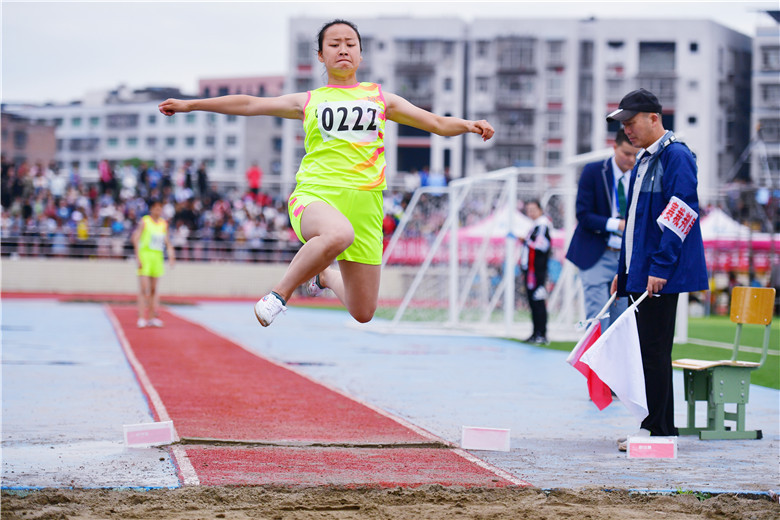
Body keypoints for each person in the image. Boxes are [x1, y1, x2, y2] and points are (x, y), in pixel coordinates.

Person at [158, 19, 494, 327]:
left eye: (350, 43)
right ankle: (278, 295)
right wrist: (192, 104)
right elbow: (250, 104)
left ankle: (324, 277)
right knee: (337, 235)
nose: (343, 49)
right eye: (334, 44)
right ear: (321, 55)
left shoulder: (381, 99)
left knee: (364, 312)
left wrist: (468, 125)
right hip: (318, 194)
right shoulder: (308, 101)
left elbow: (434, 122)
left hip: (367, 205)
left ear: (361, 55)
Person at [607, 88, 708, 449]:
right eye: (624, 124)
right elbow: (633, 222)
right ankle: (659, 425)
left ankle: (656, 428)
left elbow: (683, 211)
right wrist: (625, 270)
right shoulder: (645, 159)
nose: (627, 131)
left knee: (653, 349)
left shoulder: (676, 155)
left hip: (660, 273)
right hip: (642, 270)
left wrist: (661, 265)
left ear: (653, 118)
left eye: (631, 122)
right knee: (648, 349)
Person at [566, 129, 638, 330]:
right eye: (626, 153)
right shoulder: (593, 171)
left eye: (635, 154)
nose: (631, 159)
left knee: (620, 322)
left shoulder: (640, 175)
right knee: (598, 320)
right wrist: (617, 224)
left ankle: (613, 362)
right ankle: (592, 362)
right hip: (595, 254)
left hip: (624, 258)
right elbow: (583, 214)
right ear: (614, 147)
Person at [132, 199, 176, 328]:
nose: (158, 211)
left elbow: (167, 241)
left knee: (153, 289)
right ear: (151, 209)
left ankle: (151, 317)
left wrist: (171, 255)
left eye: (160, 209)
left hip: (157, 258)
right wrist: (138, 256)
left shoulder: (163, 224)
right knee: (144, 289)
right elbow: (135, 238)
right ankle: (141, 317)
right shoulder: (145, 221)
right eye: (156, 209)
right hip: (145, 256)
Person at [520, 200, 551, 345]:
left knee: (538, 301)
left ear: (540, 210)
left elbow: (542, 245)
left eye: (533, 209)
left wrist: (526, 241)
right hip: (530, 270)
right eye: (528, 209)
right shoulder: (535, 226)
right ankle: (535, 332)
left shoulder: (543, 225)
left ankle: (542, 333)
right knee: (533, 301)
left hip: (537, 271)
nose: (530, 212)